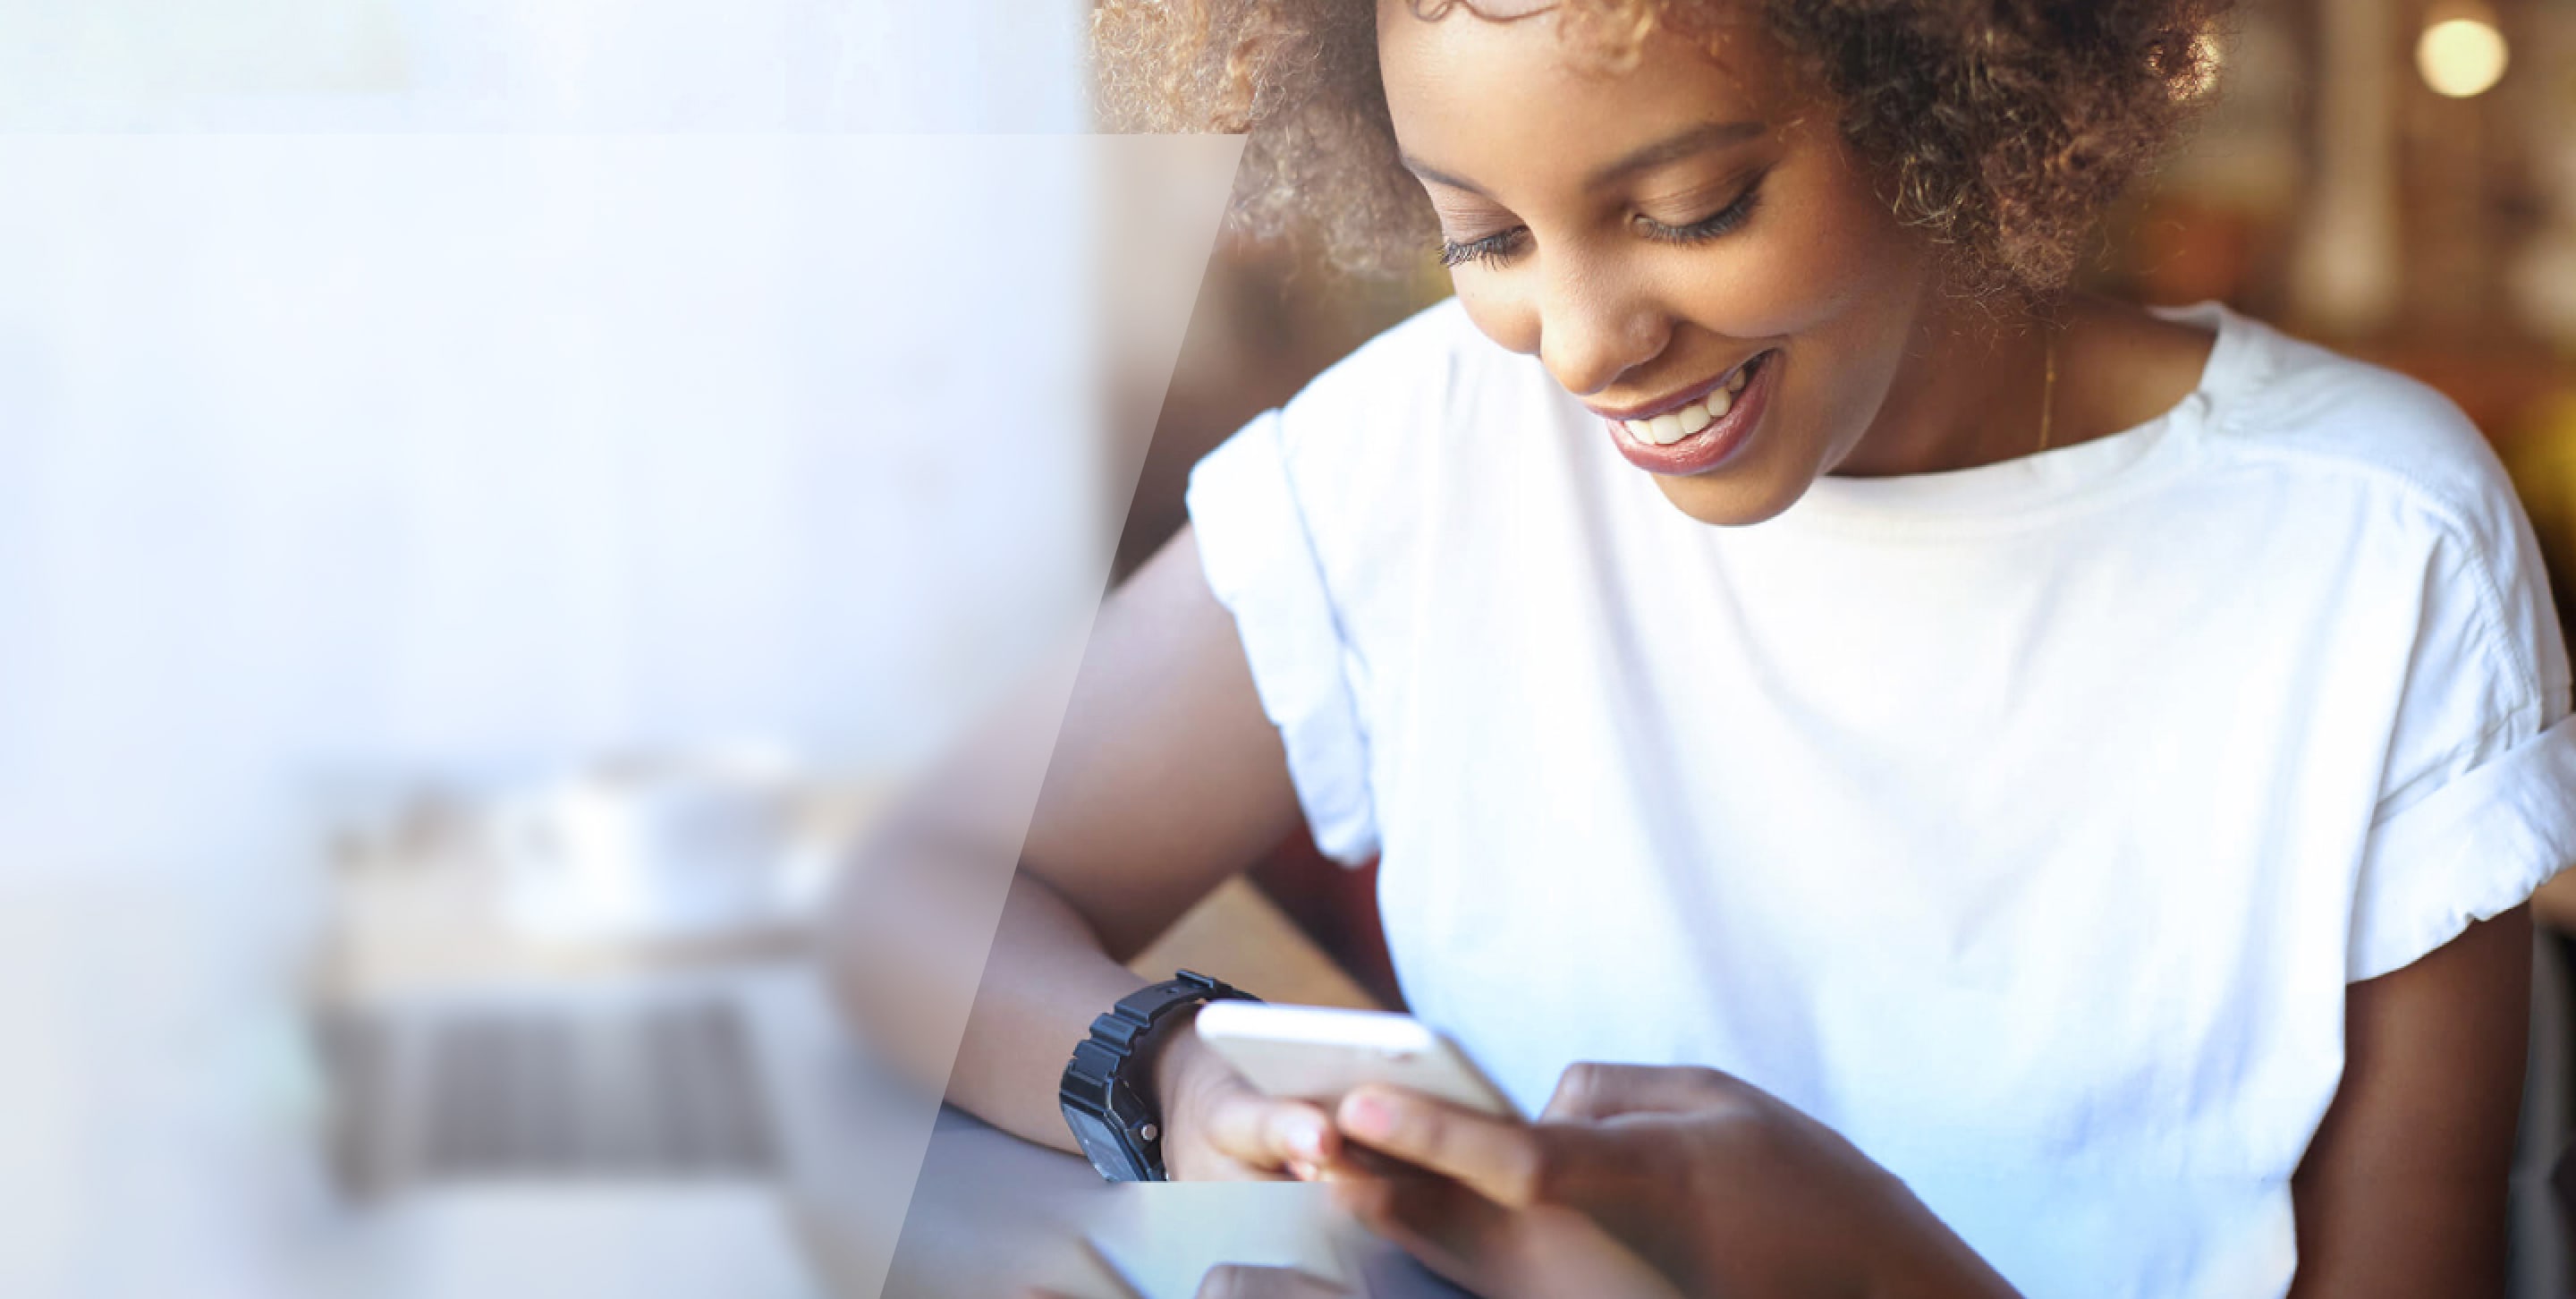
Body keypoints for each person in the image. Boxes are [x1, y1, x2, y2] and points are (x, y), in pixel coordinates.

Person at [832, 1, 2576, 1295]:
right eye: (1489, 238)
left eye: (1691, 209)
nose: (1583, 345)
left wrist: (1857, 1274)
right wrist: (1172, 1072)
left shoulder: (2366, 543)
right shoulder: (1432, 450)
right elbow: (911, 889)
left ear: (1948, 86)